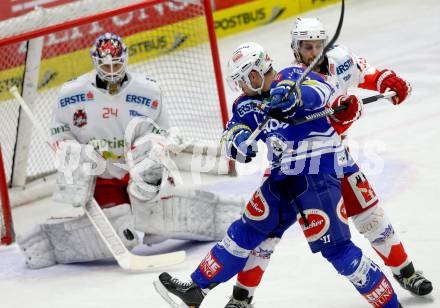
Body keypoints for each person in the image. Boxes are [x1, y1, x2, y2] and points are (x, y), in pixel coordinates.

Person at [154, 42, 402, 308]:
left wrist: (295, 97)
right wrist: (237, 141)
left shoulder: (294, 77)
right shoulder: (247, 103)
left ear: (254, 75)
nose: (241, 88)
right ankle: (196, 289)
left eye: (242, 81)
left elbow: (324, 93)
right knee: (246, 229)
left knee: (337, 249)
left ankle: (391, 304)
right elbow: (231, 131)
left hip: (316, 174)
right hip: (281, 178)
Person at [225, 18, 432, 308]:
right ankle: (241, 298)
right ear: (296, 48)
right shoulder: (288, 79)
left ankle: (406, 272)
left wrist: (390, 82)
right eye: (307, 47)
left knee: (372, 216)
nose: (313, 52)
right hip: (292, 164)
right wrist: (339, 117)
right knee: (265, 234)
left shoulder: (341, 60)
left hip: (336, 158)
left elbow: (371, 74)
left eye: (318, 45)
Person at [16, 32, 243, 269]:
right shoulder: (72, 95)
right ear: (95, 62)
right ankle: (45, 243)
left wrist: (153, 149)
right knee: (123, 232)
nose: (112, 70)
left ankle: (223, 216)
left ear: (125, 59)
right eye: (106, 64)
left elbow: (165, 133)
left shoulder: (148, 91)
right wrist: (73, 153)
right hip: (102, 179)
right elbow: (60, 135)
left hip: (140, 172)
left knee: (159, 221)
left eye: (116, 63)